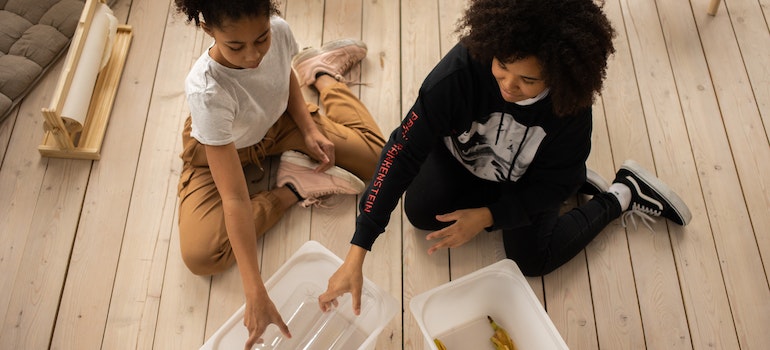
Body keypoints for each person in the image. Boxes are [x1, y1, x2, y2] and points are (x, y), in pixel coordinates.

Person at [319, 0, 692, 316]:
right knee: (419, 213)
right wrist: (358, 251)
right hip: (463, 159)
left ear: (558, 75)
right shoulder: (457, 75)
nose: (509, 85)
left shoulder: (570, 106)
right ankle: (574, 175)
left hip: (531, 179)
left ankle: (623, 193)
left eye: (528, 80)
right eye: (502, 66)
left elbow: (552, 188)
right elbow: (400, 153)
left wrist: (487, 217)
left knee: (533, 261)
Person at [173, 0, 385, 348]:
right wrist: (255, 289)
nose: (252, 55)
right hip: (221, 143)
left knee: (379, 159)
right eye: (236, 46)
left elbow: (282, 75)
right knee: (200, 255)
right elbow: (235, 198)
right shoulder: (207, 91)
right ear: (208, 30)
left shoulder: (279, 30)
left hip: (278, 123)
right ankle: (294, 186)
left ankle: (323, 73)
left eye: (261, 38)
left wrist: (308, 129)